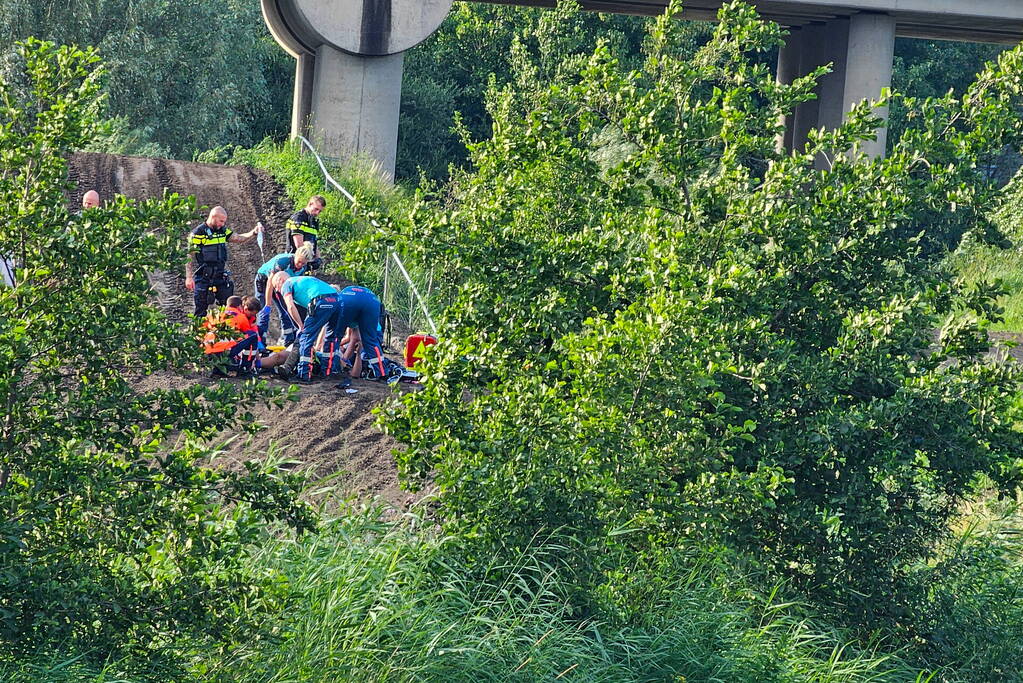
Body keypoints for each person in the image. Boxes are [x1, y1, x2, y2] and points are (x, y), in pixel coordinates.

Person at [184, 206, 262, 318]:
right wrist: (189, 277)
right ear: (213, 217)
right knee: (200, 309)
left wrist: (253, 233)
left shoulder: (223, 231)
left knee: (229, 308)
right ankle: (199, 334)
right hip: (204, 275)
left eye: (224, 221)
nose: (222, 224)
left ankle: (226, 332)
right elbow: (189, 255)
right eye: (221, 221)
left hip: (220, 275)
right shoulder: (198, 233)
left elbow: (238, 238)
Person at [271, 272, 343, 383]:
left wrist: (300, 325)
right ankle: (327, 371)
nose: (277, 290)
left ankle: (304, 374)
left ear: (280, 279)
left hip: (320, 300)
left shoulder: (287, 284)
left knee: (306, 338)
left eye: (276, 286)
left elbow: (290, 306)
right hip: (337, 300)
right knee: (331, 337)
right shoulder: (302, 280)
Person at [254, 243, 316, 343]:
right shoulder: (283, 262)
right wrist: (268, 304)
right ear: (295, 256)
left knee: (286, 309)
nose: (300, 265)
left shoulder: (303, 268)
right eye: (299, 262)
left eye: (303, 264)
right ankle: (260, 341)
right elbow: (270, 283)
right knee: (263, 310)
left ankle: (288, 339)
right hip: (265, 280)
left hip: (282, 283)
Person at [202, 295, 263, 375]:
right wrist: (257, 359)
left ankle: (217, 366)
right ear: (240, 307)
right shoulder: (240, 317)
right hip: (224, 351)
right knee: (252, 336)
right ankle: (246, 368)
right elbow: (249, 337)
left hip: (208, 352)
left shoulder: (216, 314)